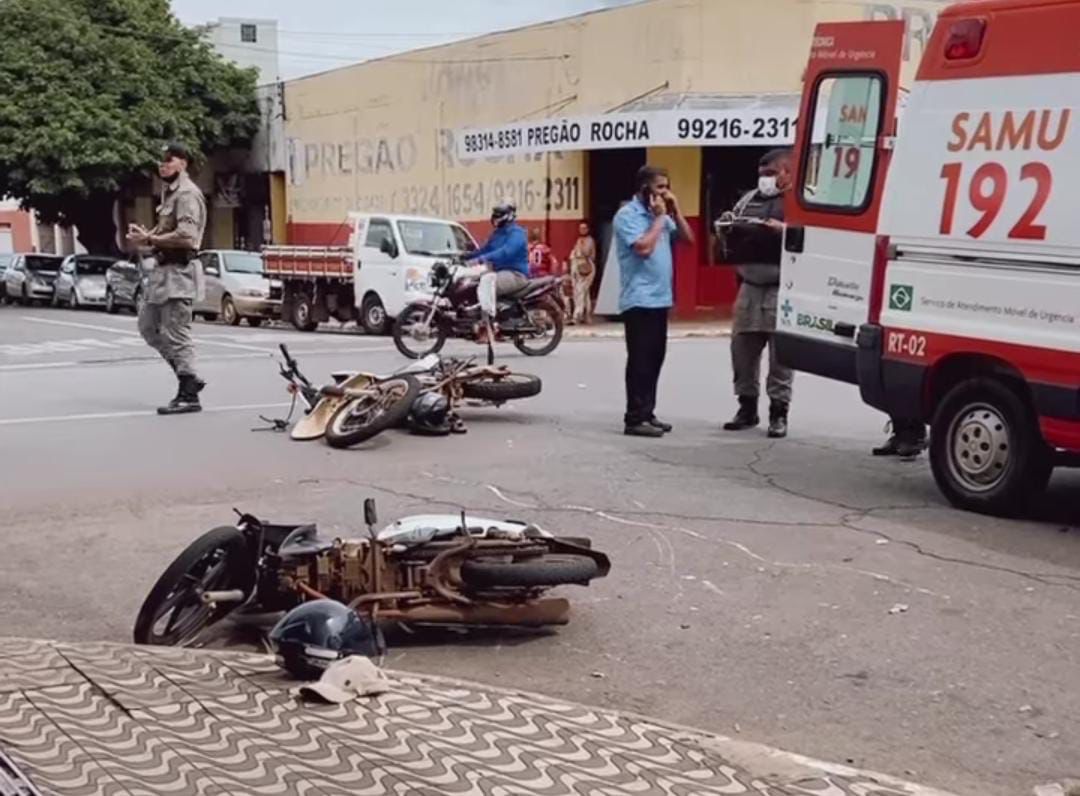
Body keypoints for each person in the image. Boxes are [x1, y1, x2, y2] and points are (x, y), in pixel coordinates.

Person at [126, 142, 208, 415]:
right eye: (160, 162)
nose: (163, 166)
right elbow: (164, 237)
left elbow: (186, 236)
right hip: (162, 273)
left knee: (177, 333)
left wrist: (151, 237)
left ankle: (188, 394)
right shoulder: (169, 194)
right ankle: (189, 378)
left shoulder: (186, 194)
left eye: (169, 160)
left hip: (179, 274)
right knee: (148, 327)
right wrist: (145, 239)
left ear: (183, 163)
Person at [614, 165, 694, 438]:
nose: (665, 192)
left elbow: (688, 239)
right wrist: (659, 219)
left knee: (655, 358)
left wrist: (676, 210)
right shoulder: (628, 215)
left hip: (660, 298)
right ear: (645, 188)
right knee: (640, 360)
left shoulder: (658, 215)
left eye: (666, 187)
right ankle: (634, 418)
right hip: (639, 299)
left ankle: (648, 412)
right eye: (660, 187)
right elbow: (644, 249)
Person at [721, 149, 795, 438]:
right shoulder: (747, 200)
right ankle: (746, 407)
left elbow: (815, 235)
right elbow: (730, 226)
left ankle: (779, 412)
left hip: (782, 289)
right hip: (749, 286)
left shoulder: (800, 201)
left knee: (782, 357)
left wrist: (784, 230)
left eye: (771, 173)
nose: (765, 179)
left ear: (787, 172)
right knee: (742, 351)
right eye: (762, 174)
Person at [464, 203, 529, 336]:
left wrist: (480, 260)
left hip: (515, 274)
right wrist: (466, 256)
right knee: (471, 282)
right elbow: (486, 249)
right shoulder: (497, 234)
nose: (495, 219)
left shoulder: (517, 233)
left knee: (487, 283)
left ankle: (488, 324)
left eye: (498, 216)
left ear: (508, 217)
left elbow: (506, 252)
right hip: (499, 272)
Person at [569, 222, 597, 325]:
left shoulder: (590, 240)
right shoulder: (578, 240)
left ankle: (577, 315)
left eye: (584, 228)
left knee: (581, 291)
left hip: (586, 267)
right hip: (577, 267)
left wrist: (581, 245)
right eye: (581, 228)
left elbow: (588, 254)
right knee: (583, 293)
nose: (582, 230)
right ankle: (587, 316)